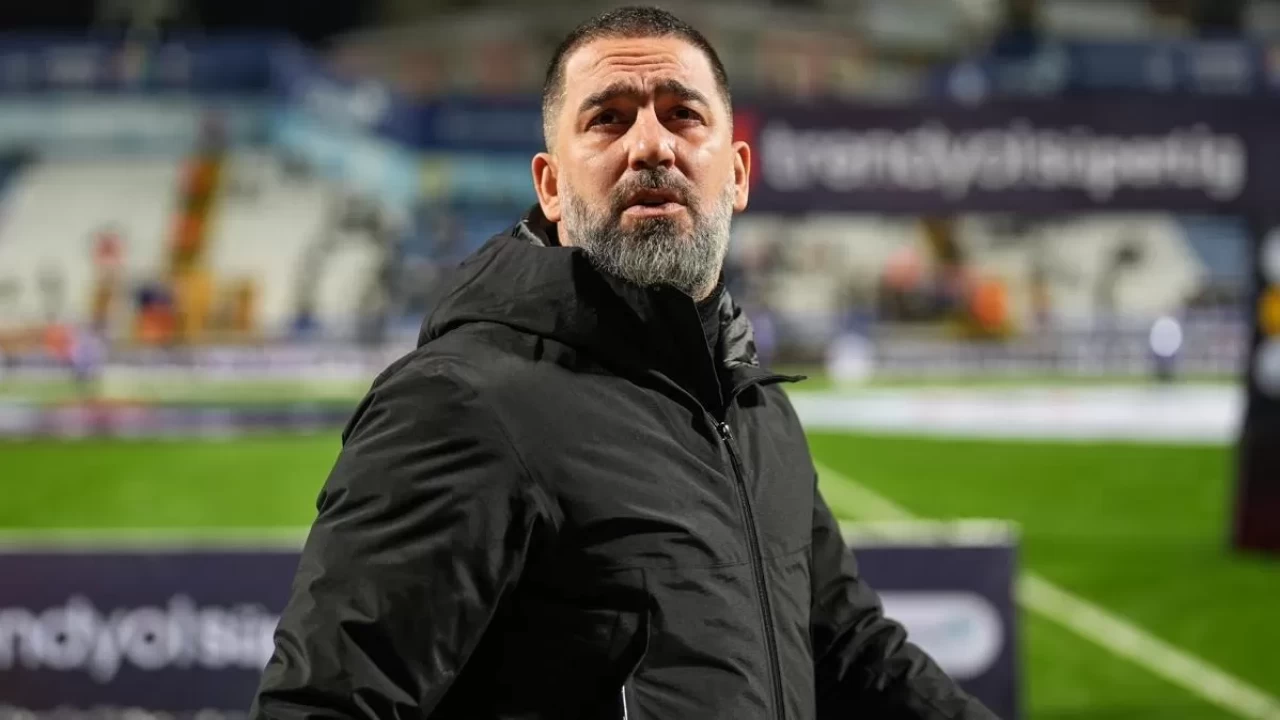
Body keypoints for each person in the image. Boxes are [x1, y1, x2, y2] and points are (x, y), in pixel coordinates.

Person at [250, 7, 998, 719]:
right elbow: (326, 704)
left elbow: (847, 651)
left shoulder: (754, 408)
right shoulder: (460, 402)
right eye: (608, 118)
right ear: (551, 188)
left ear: (738, 173)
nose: (650, 146)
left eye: (683, 114)